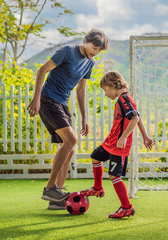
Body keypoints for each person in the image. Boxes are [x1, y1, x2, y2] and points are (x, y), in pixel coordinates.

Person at [27, 29, 109, 210]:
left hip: (62, 104)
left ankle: (55, 199)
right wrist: (36, 98)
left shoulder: (90, 63)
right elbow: (42, 70)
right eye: (94, 47)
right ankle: (50, 188)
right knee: (71, 140)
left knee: (70, 148)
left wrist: (84, 118)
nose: (95, 52)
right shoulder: (68, 51)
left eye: (99, 50)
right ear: (86, 40)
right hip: (48, 99)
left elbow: (80, 90)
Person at [82, 71, 153, 218]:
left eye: (105, 90)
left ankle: (127, 207)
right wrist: (145, 136)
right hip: (111, 142)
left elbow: (134, 118)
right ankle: (97, 188)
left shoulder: (124, 99)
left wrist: (124, 137)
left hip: (119, 146)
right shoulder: (123, 99)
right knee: (95, 157)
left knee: (114, 175)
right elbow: (137, 117)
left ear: (112, 85)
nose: (105, 94)